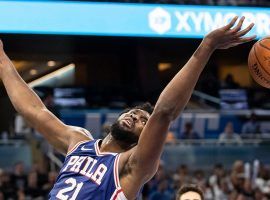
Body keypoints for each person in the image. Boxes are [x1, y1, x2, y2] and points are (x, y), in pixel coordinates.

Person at [0, 16, 255, 199]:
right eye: (134, 111)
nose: (136, 115)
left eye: (144, 120)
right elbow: (34, 109)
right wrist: (2, 61)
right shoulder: (78, 141)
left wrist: (206, 46)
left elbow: (164, 112)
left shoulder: (133, 165)